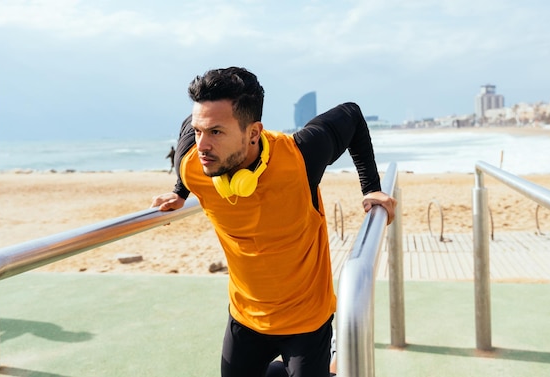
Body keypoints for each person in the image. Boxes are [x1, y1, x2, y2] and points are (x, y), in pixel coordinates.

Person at [151, 67, 396, 377]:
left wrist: (371, 187)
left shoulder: (300, 156)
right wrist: (179, 191)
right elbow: (190, 127)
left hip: (307, 319)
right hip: (246, 316)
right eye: (200, 131)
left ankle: (332, 363)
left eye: (216, 131)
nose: (202, 145)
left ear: (254, 133)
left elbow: (352, 115)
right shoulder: (191, 164)